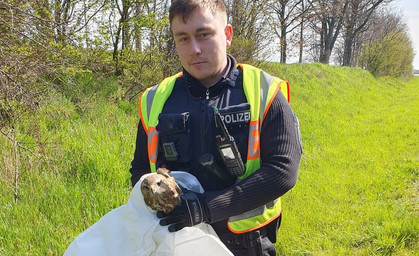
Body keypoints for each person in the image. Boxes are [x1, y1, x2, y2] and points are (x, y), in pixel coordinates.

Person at [129, 0, 302, 255]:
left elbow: (282, 170)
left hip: (245, 243)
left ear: (227, 34)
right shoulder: (155, 99)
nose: (194, 49)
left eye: (204, 34)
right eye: (183, 38)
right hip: (176, 241)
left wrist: (206, 208)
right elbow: (141, 169)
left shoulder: (264, 90)